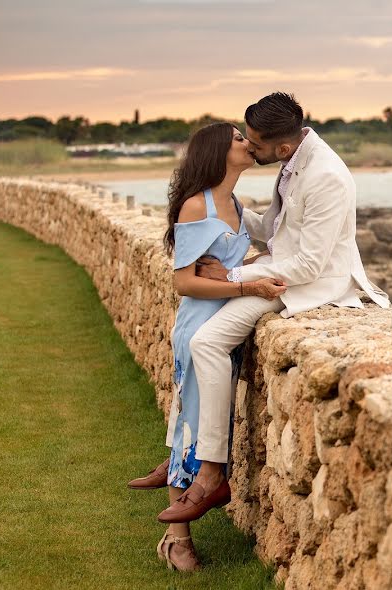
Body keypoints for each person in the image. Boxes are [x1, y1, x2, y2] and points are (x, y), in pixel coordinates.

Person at [150, 92, 389, 527]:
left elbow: (310, 263)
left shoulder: (327, 177)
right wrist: (232, 221)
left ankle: (210, 470)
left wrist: (237, 278)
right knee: (198, 342)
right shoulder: (292, 161)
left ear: (282, 147)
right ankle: (198, 461)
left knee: (205, 343)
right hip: (278, 273)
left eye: (254, 142)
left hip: (308, 285)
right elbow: (281, 230)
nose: (249, 146)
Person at [127, 122, 286, 572]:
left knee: (196, 426)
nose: (248, 143)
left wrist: (245, 269)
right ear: (219, 152)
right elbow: (184, 281)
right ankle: (176, 540)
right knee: (191, 432)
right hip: (199, 329)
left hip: (225, 330)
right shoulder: (196, 205)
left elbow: (228, 262)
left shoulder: (232, 202)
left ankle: (178, 490)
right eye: (238, 138)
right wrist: (247, 288)